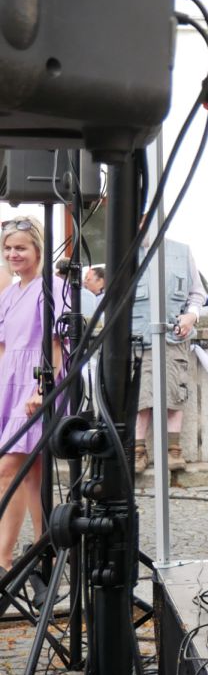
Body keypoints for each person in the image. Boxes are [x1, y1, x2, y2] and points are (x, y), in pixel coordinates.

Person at [0, 217, 65, 572]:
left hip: (36, 384)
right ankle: (45, 552)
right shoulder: (10, 294)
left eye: (20, 248)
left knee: (7, 469)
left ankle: (3, 558)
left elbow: (56, 344)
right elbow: (3, 347)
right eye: (8, 248)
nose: (13, 254)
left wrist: (44, 389)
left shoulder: (51, 287)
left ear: (38, 249)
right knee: (31, 473)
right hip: (9, 386)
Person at [132, 238, 207, 472]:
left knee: (176, 391)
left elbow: (197, 293)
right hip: (138, 337)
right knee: (140, 395)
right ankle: (137, 450)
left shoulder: (182, 251)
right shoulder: (125, 252)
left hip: (173, 336)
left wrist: (191, 316)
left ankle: (173, 449)